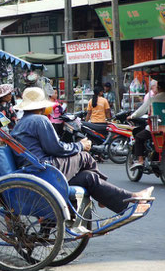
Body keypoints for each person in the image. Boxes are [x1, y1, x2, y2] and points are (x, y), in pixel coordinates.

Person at [11, 87, 153, 214]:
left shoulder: (20, 124)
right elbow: (56, 149)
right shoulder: (39, 120)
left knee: (88, 177)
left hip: (34, 169)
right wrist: (80, 146)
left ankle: (115, 195)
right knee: (84, 156)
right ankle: (107, 196)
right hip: (43, 169)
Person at [128, 80, 165, 170]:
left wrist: (132, 116)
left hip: (157, 128)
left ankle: (140, 160)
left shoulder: (153, 99)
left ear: (158, 88)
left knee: (139, 137)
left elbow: (141, 110)